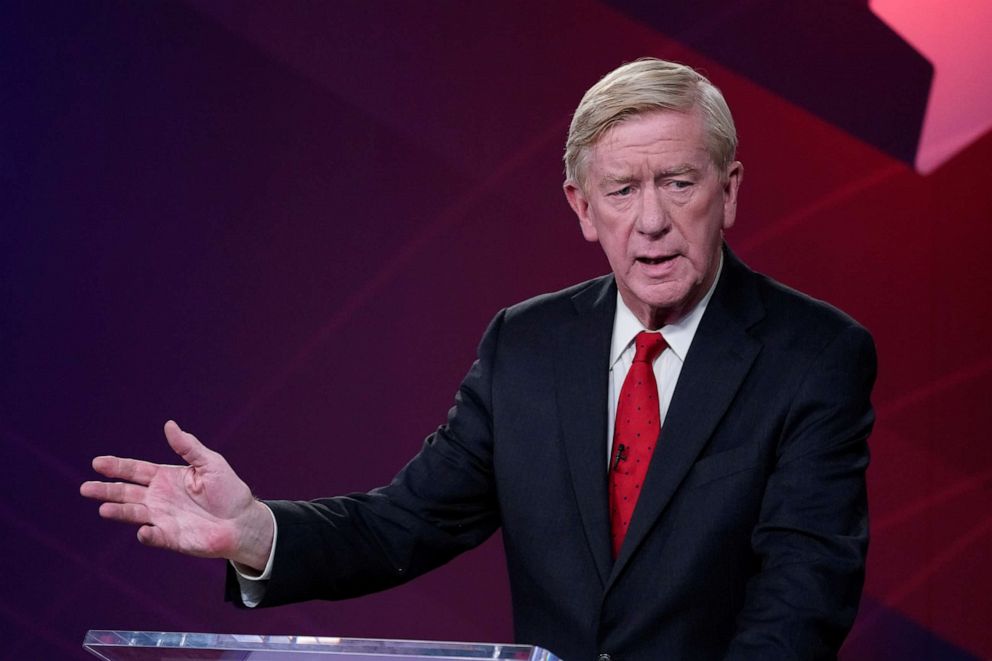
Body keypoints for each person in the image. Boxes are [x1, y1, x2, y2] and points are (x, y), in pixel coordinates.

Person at [82, 58, 876, 660]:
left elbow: (802, 600)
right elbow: (402, 525)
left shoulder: (814, 355)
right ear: (582, 208)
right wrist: (257, 531)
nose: (653, 222)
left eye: (678, 182)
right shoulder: (525, 346)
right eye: (623, 190)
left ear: (728, 191)